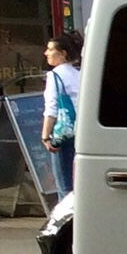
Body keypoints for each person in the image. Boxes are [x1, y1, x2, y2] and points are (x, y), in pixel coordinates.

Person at [41, 31, 83, 194]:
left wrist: (46, 136)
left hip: (63, 134)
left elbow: (51, 108)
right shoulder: (78, 74)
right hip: (80, 131)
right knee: (76, 182)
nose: (46, 53)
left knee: (64, 184)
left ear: (63, 54)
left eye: (50, 49)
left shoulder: (55, 75)